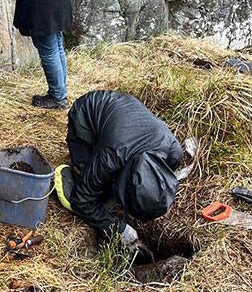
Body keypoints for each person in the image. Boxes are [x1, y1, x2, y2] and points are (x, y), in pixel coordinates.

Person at [55, 90, 183, 251]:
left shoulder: (173, 153)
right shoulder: (110, 157)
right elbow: (81, 200)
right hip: (86, 111)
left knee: (101, 182)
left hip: (125, 110)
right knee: (87, 180)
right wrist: (119, 229)